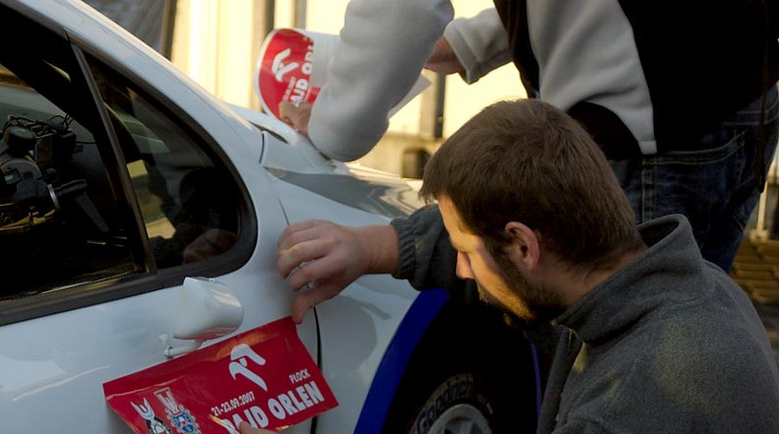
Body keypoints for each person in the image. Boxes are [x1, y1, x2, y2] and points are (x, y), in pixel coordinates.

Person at [227, 99, 779, 434]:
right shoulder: (687, 287)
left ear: (523, 246)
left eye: (467, 253)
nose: (462, 272)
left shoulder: (640, 402)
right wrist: (376, 248)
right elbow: (501, 252)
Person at [279, 0, 779, 272]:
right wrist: (467, 42)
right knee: (699, 334)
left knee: (620, 373)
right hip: (747, 96)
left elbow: (402, 8)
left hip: (641, 129)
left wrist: (332, 125)